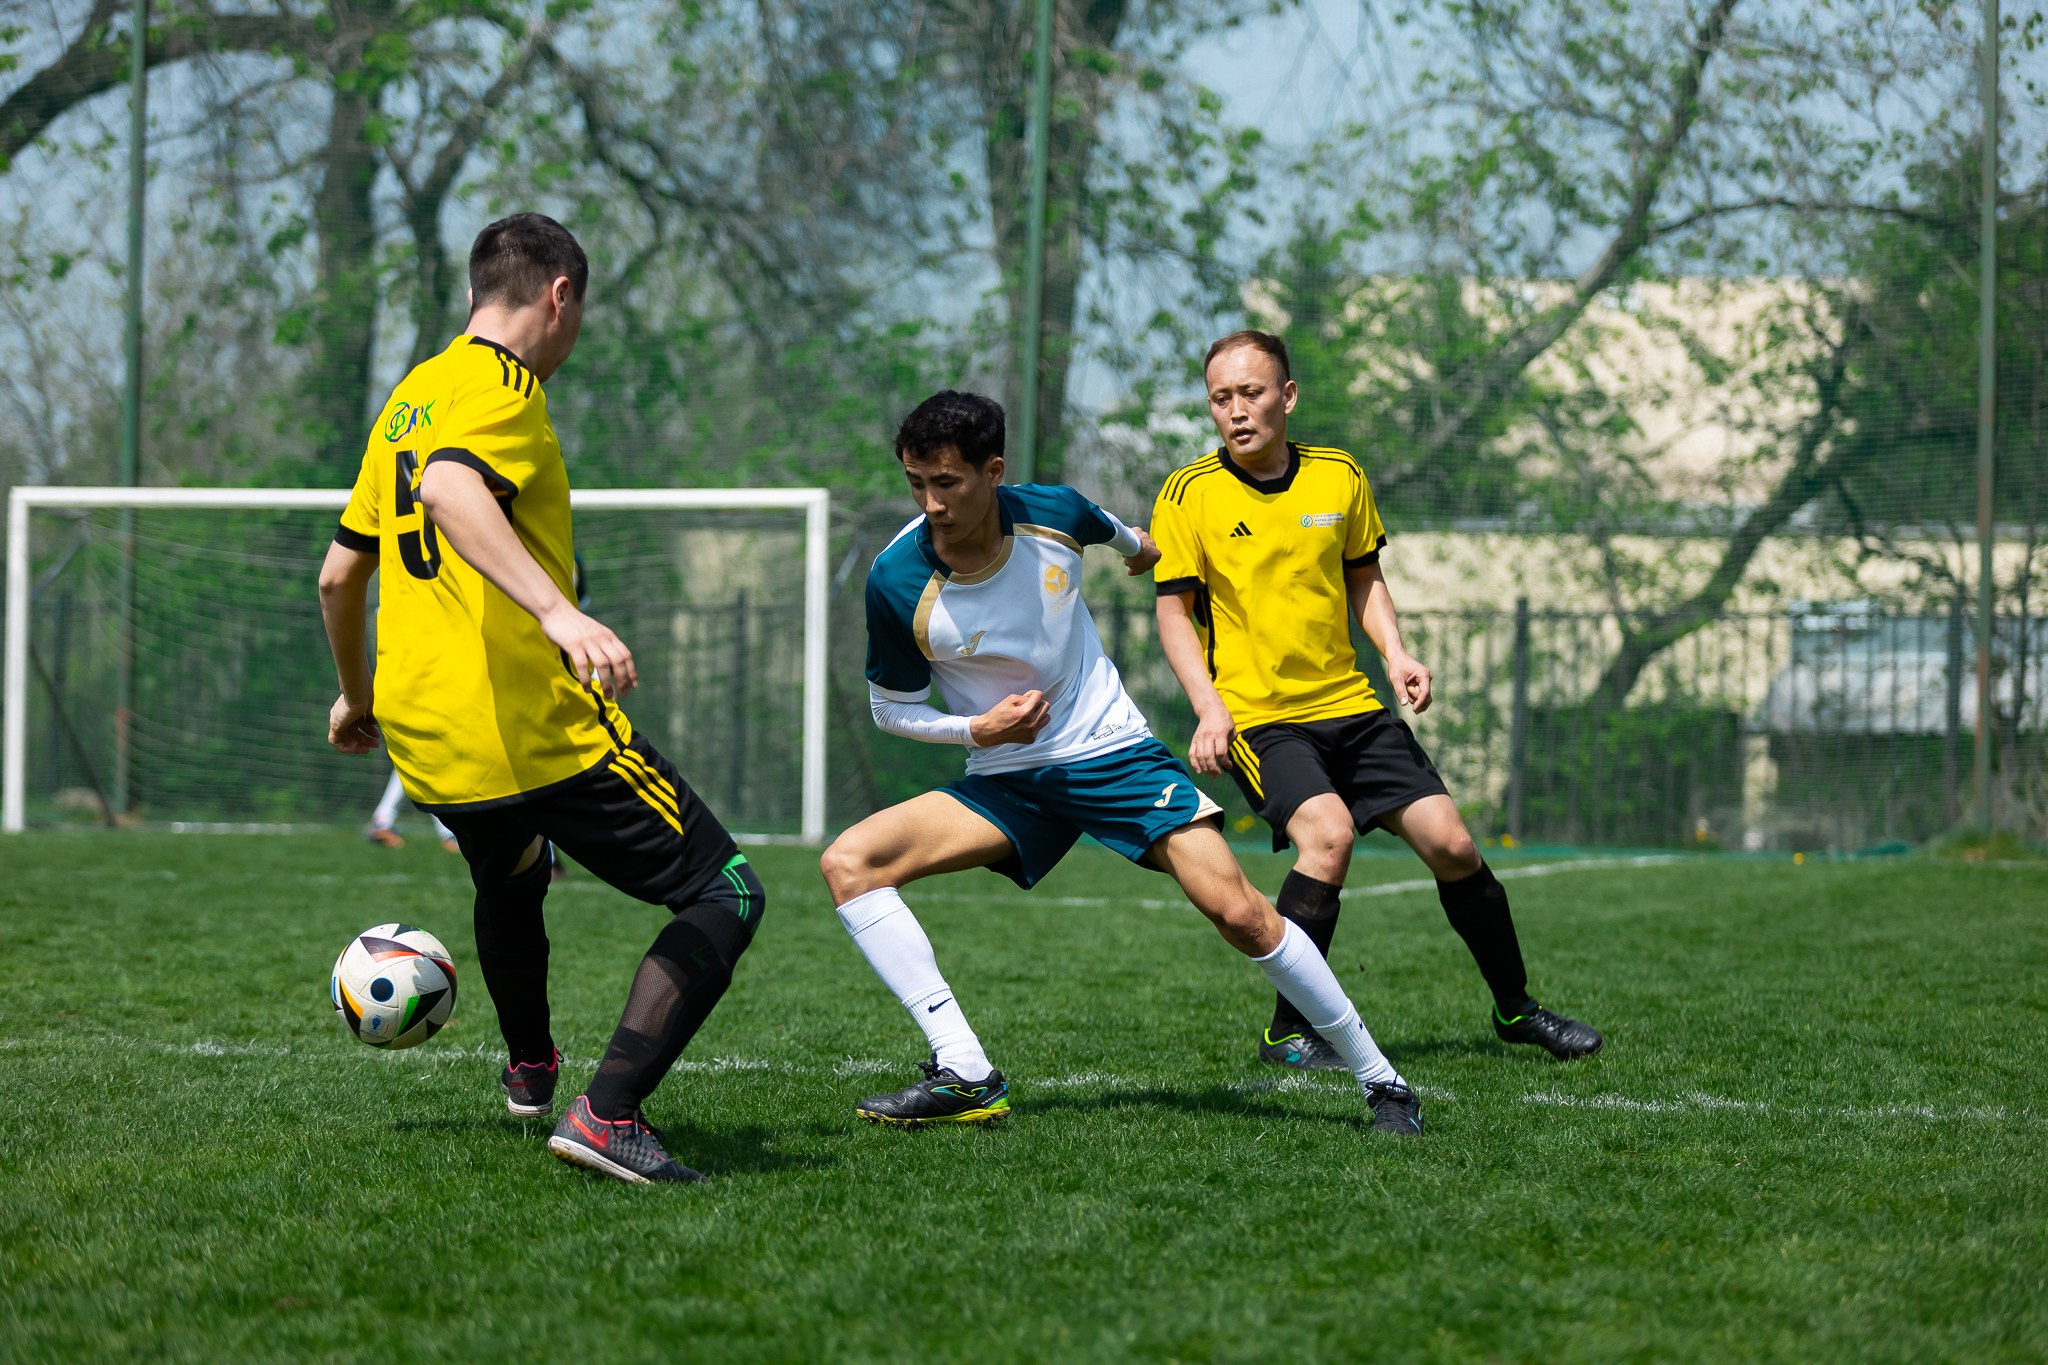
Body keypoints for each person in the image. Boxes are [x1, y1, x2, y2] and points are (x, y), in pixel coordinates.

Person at [818, 390, 1424, 1136]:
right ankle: (965, 1070)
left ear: (994, 471)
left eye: (948, 482)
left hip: (1112, 755)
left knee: (1239, 912)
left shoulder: (1055, 512)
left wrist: (1141, 551)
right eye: (916, 482)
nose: (931, 501)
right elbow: (890, 709)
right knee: (850, 862)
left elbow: (1131, 542)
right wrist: (979, 728)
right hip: (1008, 778)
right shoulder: (896, 578)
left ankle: (1383, 1082)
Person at [317, 213, 765, 1185]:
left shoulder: (413, 393)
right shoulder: (501, 386)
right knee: (723, 890)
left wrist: (358, 699)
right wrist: (562, 614)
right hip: (529, 729)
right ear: (559, 295)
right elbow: (447, 491)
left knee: (511, 876)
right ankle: (607, 1115)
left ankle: (529, 1070)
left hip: (430, 739)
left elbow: (336, 578)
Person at [1151, 329, 1603, 1069]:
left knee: (1454, 844)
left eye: (1252, 393)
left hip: (1352, 705)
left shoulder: (1339, 476)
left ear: (1288, 397)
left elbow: (1364, 578)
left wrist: (1397, 653)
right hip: (1260, 718)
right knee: (1328, 835)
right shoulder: (1188, 493)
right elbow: (1174, 612)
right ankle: (1287, 1033)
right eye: (1221, 398)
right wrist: (1209, 707)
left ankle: (1516, 1009)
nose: (1236, 410)